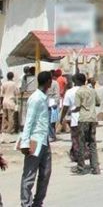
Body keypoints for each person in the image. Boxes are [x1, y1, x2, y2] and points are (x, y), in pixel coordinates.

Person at [19, 71, 53, 207]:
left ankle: (37, 203)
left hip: (44, 140)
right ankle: (25, 203)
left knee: (45, 173)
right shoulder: (36, 98)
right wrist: (25, 143)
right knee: (29, 175)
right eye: (51, 80)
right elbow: (29, 121)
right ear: (48, 82)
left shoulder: (44, 97)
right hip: (35, 140)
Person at [72, 72, 101, 175]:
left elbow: (78, 106)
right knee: (92, 143)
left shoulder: (79, 92)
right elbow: (98, 102)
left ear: (76, 81)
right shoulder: (92, 90)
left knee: (81, 143)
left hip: (83, 119)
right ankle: (95, 167)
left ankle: (81, 167)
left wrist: (72, 111)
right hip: (92, 119)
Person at [60, 73, 83, 163]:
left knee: (76, 139)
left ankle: (79, 161)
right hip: (88, 119)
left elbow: (65, 107)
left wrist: (61, 118)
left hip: (75, 119)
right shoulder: (88, 90)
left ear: (74, 81)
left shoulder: (70, 92)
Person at [1, 72, 19, 141]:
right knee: (11, 117)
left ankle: (4, 130)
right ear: (12, 77)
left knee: (4, 117)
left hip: (5, 101)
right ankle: (10, 131)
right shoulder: (14, 84)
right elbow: (17, 93)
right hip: (11, 101)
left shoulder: (4, 84)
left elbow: (1, 94)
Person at [46, 70, 60, 142]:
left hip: (52, 103)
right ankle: (51, 135)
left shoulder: (55, 83)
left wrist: (55, 102)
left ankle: (52, 135)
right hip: (46, 103)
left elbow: (57, 94)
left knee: (51, 121)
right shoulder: (46, 83)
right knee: (48, 121)